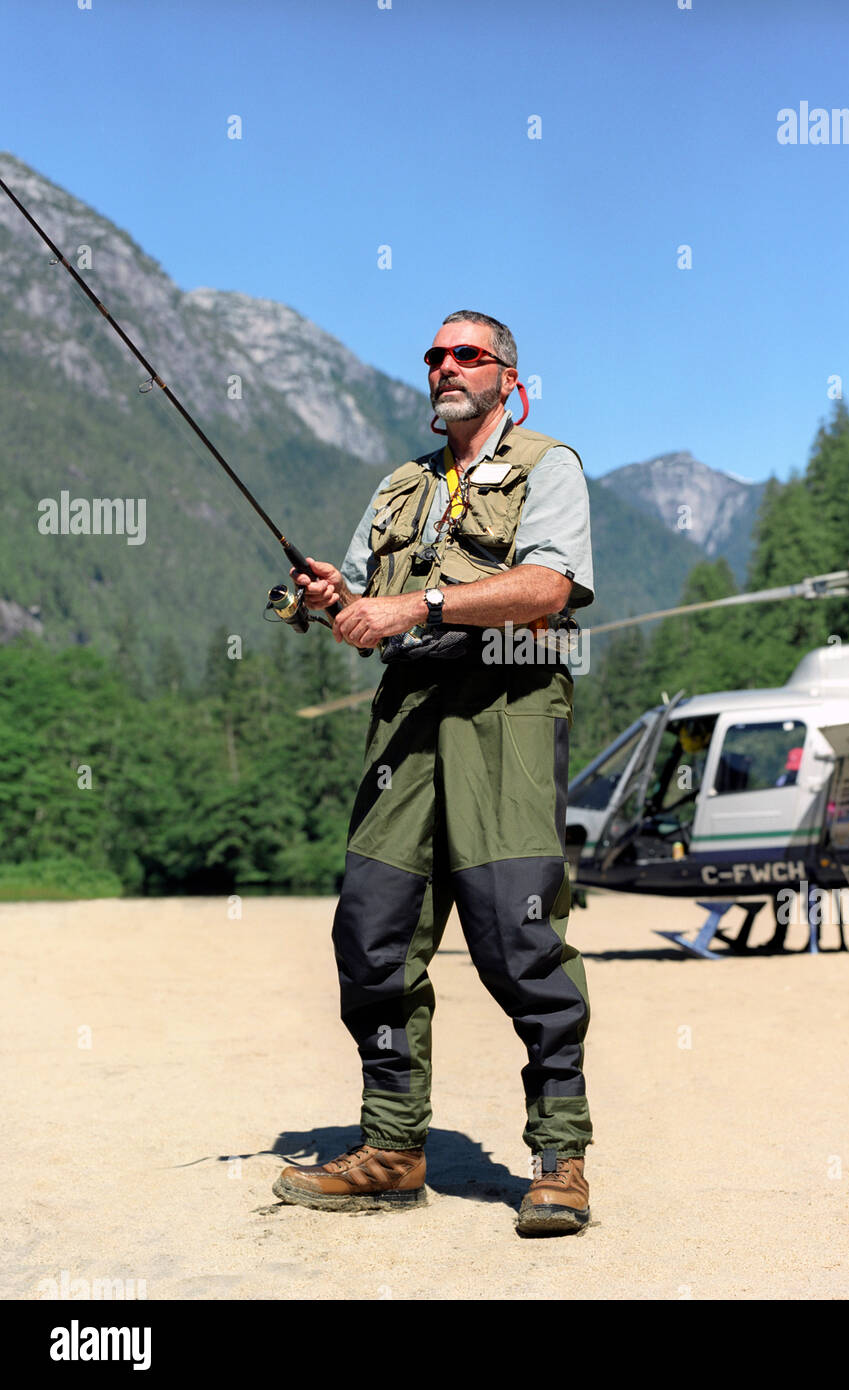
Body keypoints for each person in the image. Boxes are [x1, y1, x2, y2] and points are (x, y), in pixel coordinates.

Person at [271, 310, 595, 1235]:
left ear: (506, 376)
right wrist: (336, 600)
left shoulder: (548, 464)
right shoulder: (398, 488)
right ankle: (392, 1146)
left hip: (507, 712)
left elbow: (547, 590)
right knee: (371, 935)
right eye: (434, 356)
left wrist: (416, 602)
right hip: (406, 715)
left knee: (517, 938)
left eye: (467, 355)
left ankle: (560, 1157)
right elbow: (372, 609)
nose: (445, 367)